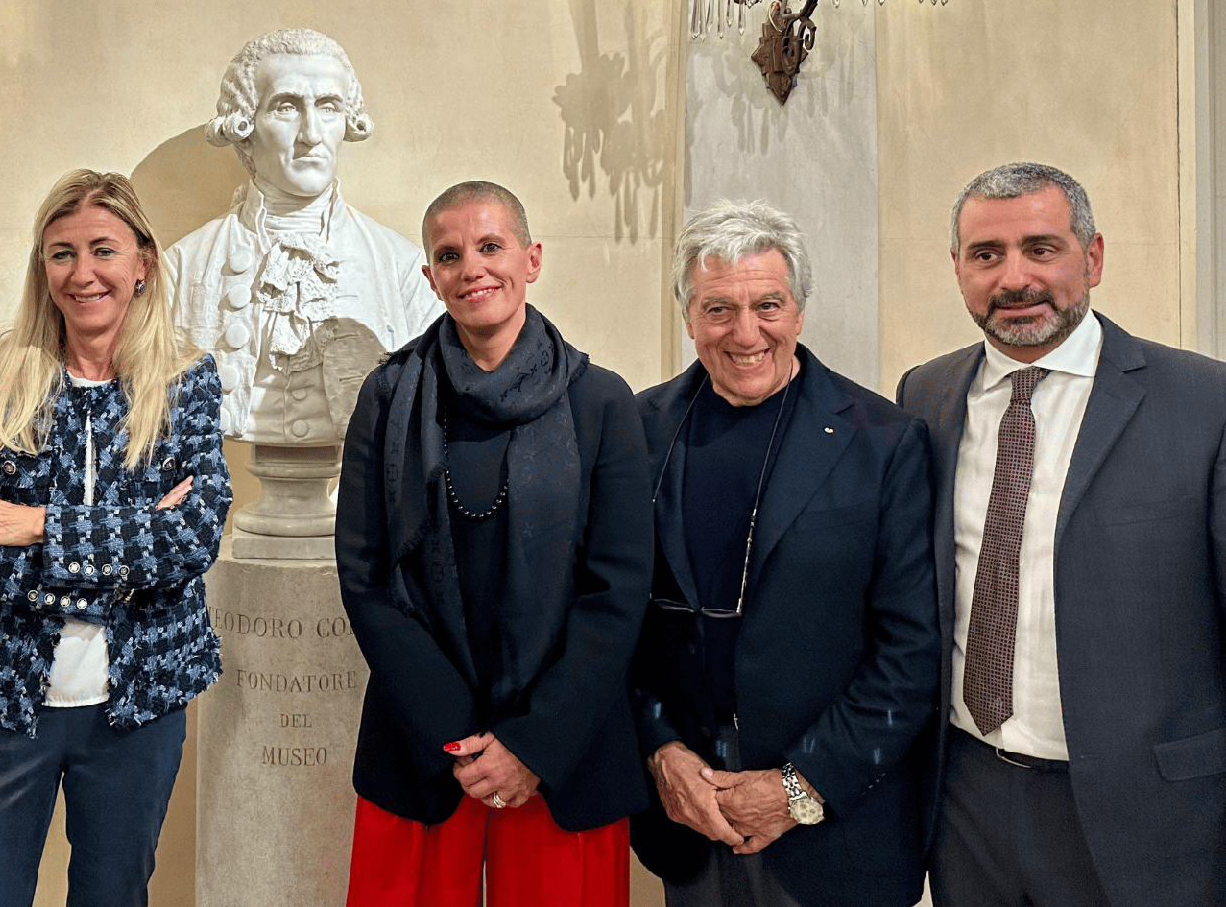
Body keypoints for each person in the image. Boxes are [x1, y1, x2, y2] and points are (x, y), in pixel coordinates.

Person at [896, 163, 1226, 906]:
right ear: (957, 268)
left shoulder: (1206, 403)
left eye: (1041, 248)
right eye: (986, 254)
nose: (1014, 278)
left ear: (1093, 257)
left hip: (1147, 815)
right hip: (967, 797)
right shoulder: (926, 394)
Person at [335, 181, 652, 907]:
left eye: (490, 246)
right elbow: (365, 573)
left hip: (563, 747)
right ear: (430, 276)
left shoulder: (600, 399)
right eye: (450, 254)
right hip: (424, 743)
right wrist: (460, 737)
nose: (471, 267)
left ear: (531, 257)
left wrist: (533, 743)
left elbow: (619, 586)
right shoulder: (388, 397)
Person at [629, 201, 938, 907]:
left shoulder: (884, 440)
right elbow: (616, 621)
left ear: (799, 310)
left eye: (768, 303)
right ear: (687, 316)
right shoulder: (638, 430)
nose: (745, 332)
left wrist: (798, 789)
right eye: (718, 309)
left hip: (836, 826)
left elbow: (911, 650)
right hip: (690, 817)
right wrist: (659, 749)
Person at [0, 169, 229, 907]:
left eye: (104, 248)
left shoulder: (189, 381)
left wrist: (31, 522)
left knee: (113, 893)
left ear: (142, 263)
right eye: (61, 252)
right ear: (43, 267)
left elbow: (192, 540)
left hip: (140, 697)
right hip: (1, 697)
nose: (83, 272)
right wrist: (129, 545)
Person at [168, 27, 441, 444]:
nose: (311, 133)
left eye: (329, 107)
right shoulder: (183, 267)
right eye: (286, 108)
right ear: (246, 123)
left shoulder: (401, 268)